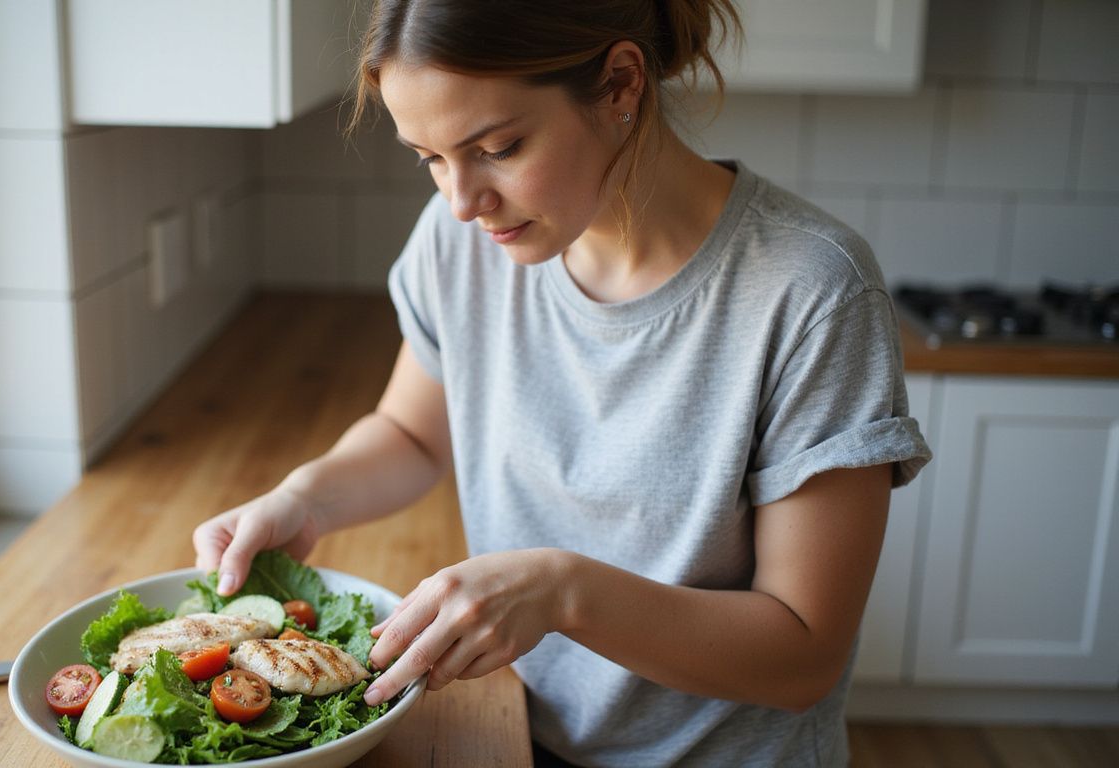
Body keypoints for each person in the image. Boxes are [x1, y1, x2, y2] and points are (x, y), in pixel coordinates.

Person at [193, 1, 932, 765]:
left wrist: (562, 592)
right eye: (430, 157)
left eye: (498, 147)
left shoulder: (813, 292)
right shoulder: (461, 246)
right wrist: (304, 498)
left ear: (619, 84)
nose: (460, 200)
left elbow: (802, 657)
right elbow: (411, 434)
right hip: (526, 732)